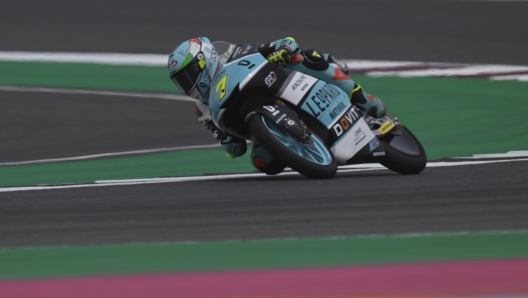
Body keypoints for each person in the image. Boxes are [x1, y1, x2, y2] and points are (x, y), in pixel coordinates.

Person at [168, 37, 386, 175]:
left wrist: (281, 51)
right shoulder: (203, 110)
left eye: (189, 76)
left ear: (206, 60)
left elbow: (286, 42)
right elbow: (234, 149)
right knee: (263, 162)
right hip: (261, 118)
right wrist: (229, 140)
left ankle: (362, 99)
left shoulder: (236, 54)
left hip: (283, 83)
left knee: (306, 57)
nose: (187, 85)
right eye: (181, 81)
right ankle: (309, 150)